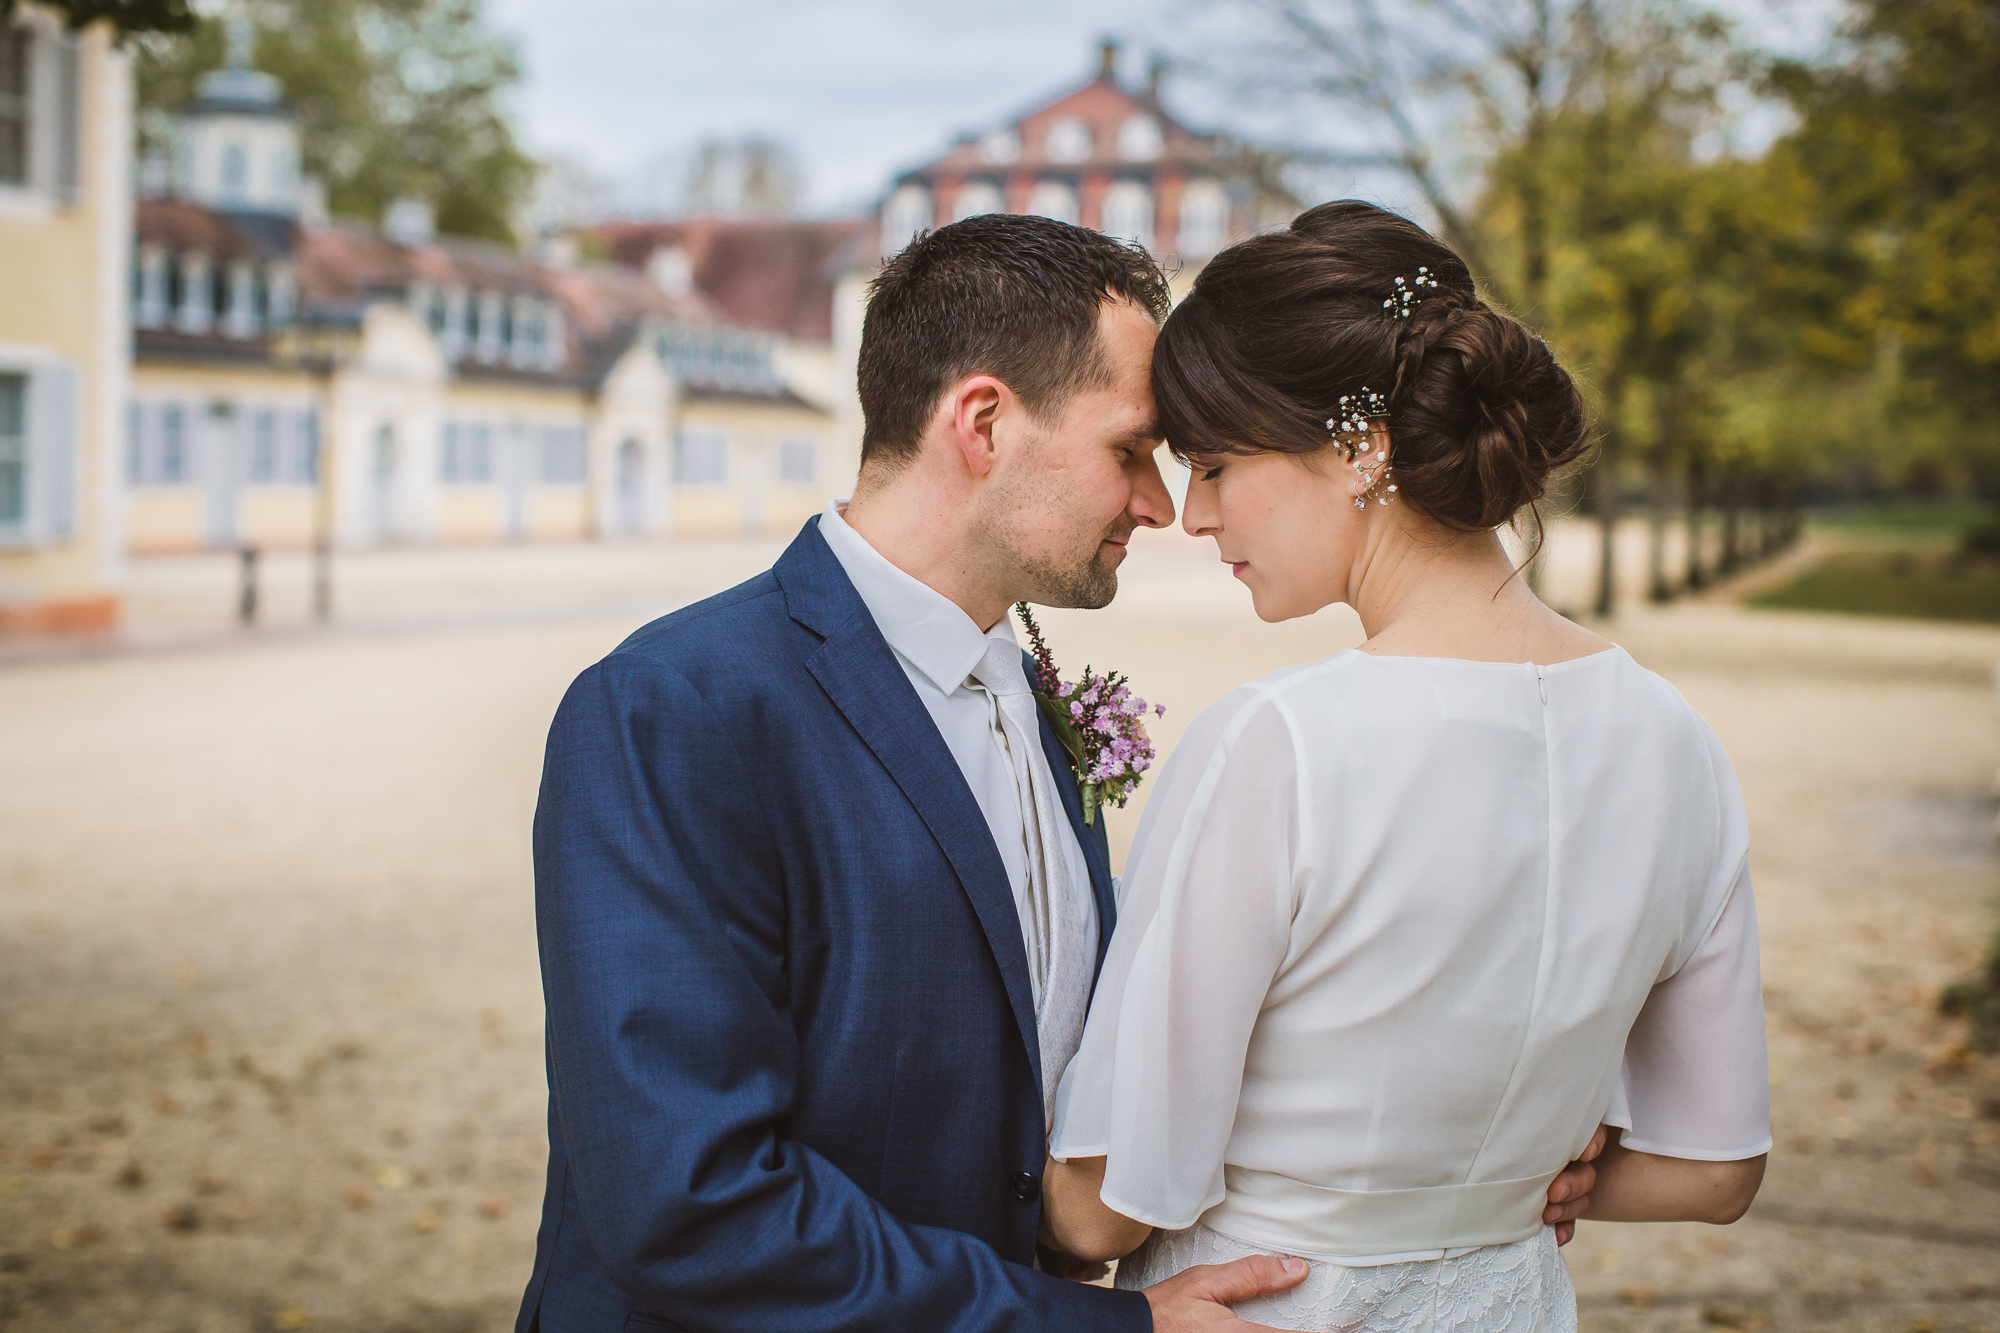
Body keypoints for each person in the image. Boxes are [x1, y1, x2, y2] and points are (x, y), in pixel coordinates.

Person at [517, 212, 1598, 1333]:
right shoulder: (677, 707)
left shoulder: (1031, 696)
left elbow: (1072, 1091)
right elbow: (688, 1205)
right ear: (981, 421)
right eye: (1129, 450)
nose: (1159, 506)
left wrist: (1474, 1133)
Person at [1039, 200, 1773, 1331]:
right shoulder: (1673, 738)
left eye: (1219, 464)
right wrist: (1531, 1184)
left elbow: (1105, 1212)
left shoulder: (1276, 743)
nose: (1192, 514)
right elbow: (1715, 1169)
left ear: (1359, 446)